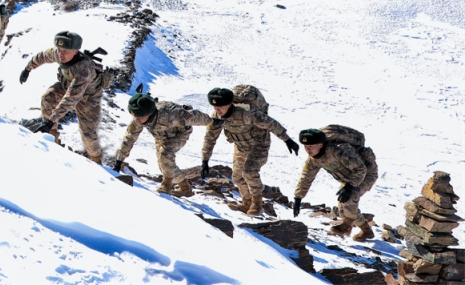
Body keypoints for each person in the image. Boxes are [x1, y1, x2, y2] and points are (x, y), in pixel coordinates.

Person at [201, 87, 300, 215]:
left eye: (220, 106)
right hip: (241, 146)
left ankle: (257, 205)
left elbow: (271, 124)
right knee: (237, 177)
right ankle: (246, 203)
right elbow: (210, 138)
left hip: (259, 145)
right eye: (214, 106)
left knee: (249, 171)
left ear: (229, 104)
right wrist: (205, 160)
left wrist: (288, 140)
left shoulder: (247, 113)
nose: (217, 110)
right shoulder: (216, 117)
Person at [20, 31, 105, 164]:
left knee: (88, 134)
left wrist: (51, 120)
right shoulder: (59, 54)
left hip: (88, 97)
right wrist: (28, 69)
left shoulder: (84, 69)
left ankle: (96, 160)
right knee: (48, 98)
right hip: (68, 85)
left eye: (65, 51)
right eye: (59, 50)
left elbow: (71, 99)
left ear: (75, 52)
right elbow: (42, 56)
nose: (61, 54)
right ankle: (51, 138)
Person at [113, 89, 214, 197]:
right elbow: (129, 138)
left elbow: (195, 116)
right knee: (165, 165)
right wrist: (119, 161)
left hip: (179, 134)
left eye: (140, 116)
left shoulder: (171, 114)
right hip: (160, 137)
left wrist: (211, 121)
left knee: (165, 155)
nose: (137, 119)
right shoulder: (139, 118)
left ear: (149, 112)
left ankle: (166, 187)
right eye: (135, 115)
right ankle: (185, 188)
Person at [293, 127, 378, 241]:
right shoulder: (313, 159)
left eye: (311, 146)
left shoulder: (339, 150)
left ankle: (346, 226)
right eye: (306, 146)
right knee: (343, 207)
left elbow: (360, 169)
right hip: (349, 178)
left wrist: (349, 186)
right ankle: (366, 230)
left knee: (350, 198)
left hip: (367, 174)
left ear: (320, 145)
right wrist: (298, 197)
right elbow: (306, 177)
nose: (308, 150)